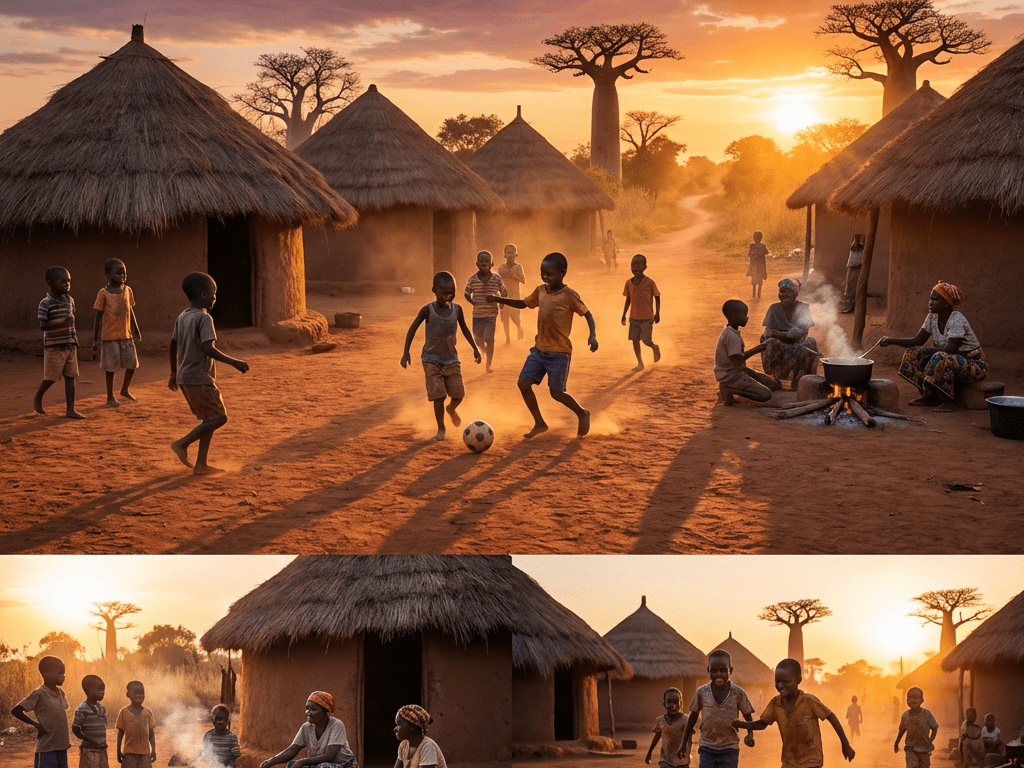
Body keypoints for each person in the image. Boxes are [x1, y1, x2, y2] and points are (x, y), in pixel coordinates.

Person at [487, 252, 597, 439]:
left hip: (559, 352)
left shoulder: (569, 295)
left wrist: (592, 335)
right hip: (539, 350)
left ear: (562, 273)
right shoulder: (540, 291)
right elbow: (523, 304)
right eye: (542, 273)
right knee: (523, 383)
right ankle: (539, 422)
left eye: (549, 274)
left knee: (556, 392)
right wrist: (499, 299)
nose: (545, 277)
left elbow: (587, 313)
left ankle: (582, 413)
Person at [168, 272, 250, 474]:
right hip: (199, 377)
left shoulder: (182, 317)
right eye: (213, 294)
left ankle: (201, 465)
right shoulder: (204, 318)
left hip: (185, 377)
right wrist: (234, 362)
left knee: (209, 419)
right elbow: (208, 348)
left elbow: (172, 344)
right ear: (204, 294)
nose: (215, 298)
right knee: (220, 418)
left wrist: (172, 372)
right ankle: (182, 444)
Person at [879, 281, 986, 412]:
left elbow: (951, 350)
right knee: (912, 353)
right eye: (930, 298)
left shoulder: (957, 319)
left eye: (935, 299)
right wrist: (890, 340)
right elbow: (917, 341)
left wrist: (925, 351)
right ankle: (932, 396)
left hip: (973, 365)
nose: (930, 302)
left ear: (946, 303)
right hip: (950, 359)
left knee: (941, 357)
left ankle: (950, 400)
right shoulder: (932, 317)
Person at [401, 271, 481, 441]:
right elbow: (412, 328)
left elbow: (465, 329)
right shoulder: (427, 310)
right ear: (434, 290)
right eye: (444, 292)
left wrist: (475, 348)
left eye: (452, 291)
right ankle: (441, 428)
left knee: (459, 393)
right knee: (439, 396)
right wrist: (406, 352)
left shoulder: (457, 310)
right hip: (431, 359)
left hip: (451, 359)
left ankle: (451, 409)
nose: (448, 295)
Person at [733, 658, 855, 768]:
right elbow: (763, 723)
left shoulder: (808, 701)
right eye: (777, 681)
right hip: (789, 761)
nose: (780, 685)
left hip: (811, 760)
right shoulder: (775, 704)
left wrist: (845, 744)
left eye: (785, 681)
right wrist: (743, 724)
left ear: (798, 680)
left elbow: (831, 717)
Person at [681, 651, 755, 768]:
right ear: (708, 670)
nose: (718, 674)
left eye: (723, 670)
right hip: (707, 747)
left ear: (730, 670)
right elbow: (693, 717)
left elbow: (748, 716)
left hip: (730, 748)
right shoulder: (702, 692)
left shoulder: (738, 693)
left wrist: (750, 734)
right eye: (714, 670)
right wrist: (683, 743)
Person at [33, 266, 85, 418]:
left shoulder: (70, 301)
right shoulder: (45, 303)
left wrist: (74, 340)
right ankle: (38, 397)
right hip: (54, 348)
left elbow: (71, 323)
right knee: (51, 377)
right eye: (63, 281)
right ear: (50, 282)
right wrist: (62, 323)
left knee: (71, 377)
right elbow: (43, 326)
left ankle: (70, 409)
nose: (67, 284)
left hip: (69, 345)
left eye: (69, 281)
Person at [259, 691, 357, 768]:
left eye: (313, 709)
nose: (308, 712)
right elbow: (292, 750)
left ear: (325, 711)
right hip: (319, 765)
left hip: (344, 766)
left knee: (322, 767)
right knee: (291, 765)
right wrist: (271, 761)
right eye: (307, 708)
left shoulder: (336, 725)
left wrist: (303, 761)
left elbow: (330, 756)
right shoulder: (306, 727)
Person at [92, 258, 141, 406]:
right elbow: (98, 317)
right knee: (111, 368)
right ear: (108, 274)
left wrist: (136, 328)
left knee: (132, 364)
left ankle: (124, 389)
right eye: (118, 273)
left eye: (124, 273)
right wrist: (95, 338)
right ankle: (110, 397)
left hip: (126, 335)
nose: (122, 276)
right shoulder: (103, 293)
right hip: (110, 337)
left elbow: (130, 310)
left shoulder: (128, 290)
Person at [715, 299, 778, 406]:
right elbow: (738, 361)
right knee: (765, 394)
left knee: (774, 384)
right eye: (744, 315)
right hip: (730, 375)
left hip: (735, 371)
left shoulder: (731, 331)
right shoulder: (731, 335)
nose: (747, 318)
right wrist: (758, 349)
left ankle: (731, 387)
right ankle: (728, 389)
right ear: (733, 315)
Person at [10, 655, 70, 768]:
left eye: (64, 673)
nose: (63, 676)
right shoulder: (39, 693)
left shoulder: (60, 693)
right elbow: (16, 711)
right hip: (47, 750)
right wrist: (35, 724)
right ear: (46, 674)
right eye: (60, 673)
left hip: (62, 748)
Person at [760, 278, 819, 389]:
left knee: (810, 343)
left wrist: (796, 334)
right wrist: (786, 335)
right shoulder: (773, 308)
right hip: (779, 343)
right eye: (781, 291)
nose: (783, 294)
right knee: (768, 342)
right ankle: (773, 379)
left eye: (787, 291)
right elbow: (768, 333)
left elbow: (804, 332)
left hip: (797, 343)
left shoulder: (803, 308)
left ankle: (800, 383)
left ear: (795, 293)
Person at [463, 250, 506, 372]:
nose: (484, 263)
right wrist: (472, 301)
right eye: (481, 261)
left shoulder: (497, 278)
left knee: (488, 338)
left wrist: (501, 302)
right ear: (477, 264)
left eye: (486, 261)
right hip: (477, 315)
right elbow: (466, 293)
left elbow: (503, 291)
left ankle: (488, 365)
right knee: (478, 339)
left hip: (491, 315)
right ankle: (484, 350)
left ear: (492, 263)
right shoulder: (472, 279)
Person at [621, 254, 661, 372]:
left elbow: (657, 296)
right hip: (633, 317)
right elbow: (628, 299)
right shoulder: (629, 283)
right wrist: (623, 314)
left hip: (647, 318)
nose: (636, 268)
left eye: (639, 266)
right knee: (635, 340)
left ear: (645, 267)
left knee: (646, 340)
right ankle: (640, 363)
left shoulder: (649, 282)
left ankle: (654, 347)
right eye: (633, 266)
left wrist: (657, 313)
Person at [115, 680, 156, 768]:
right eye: (136, 693)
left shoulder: (147, 712)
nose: (139, 695)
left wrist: (154, 750)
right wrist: (118, 751)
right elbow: (120, 733)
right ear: (128, 694)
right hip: (129, 753)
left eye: (141, 693)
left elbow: (151, 733)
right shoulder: (124, 712)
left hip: (145, 753)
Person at [646, 688, 690, 768]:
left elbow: (689, 738)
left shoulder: (685, 720)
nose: (672, 705)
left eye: (676, 702)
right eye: (669, 702)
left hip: (682, 759)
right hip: (665, 759)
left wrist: (687, 752)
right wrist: (649, 753)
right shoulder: (661, 721)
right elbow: (657, 736)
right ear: (664, 704)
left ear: (681, 704)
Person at [894, 687, 938, 768]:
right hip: (910, 748)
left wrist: (930, 740)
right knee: (912, 765)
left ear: (922, 700)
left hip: (924, 749)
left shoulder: (926, 714)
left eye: (916, 698)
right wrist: (896, 743)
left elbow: (935, 727)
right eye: (909, 698)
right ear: (907, 700)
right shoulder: (905, 716)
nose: (913, 700)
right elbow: (901, 730)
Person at [73, 674, 108, 768]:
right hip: (89, 749)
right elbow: (75, 728)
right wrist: (87, 739)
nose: (102, 692)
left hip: (102, 748)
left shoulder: (102, 709)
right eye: (99, 690)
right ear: (89, 690)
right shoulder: (82, 709)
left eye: (103, 690)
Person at [497, 244, 526, 344]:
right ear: (504, 255)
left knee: (514, 316)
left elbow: (523, 280)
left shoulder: (518, 267)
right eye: (508, 253)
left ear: (515, 255)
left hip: (514, 296)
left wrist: (514, 276)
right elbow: (498, 281)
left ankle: (519, 328)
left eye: (512, 253)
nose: (510, 255)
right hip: (504, 295)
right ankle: (507, 338)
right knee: (505, 318)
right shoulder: (501, 268)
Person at [840, 235, 865, 313]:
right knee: (850, 287)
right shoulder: (855, 244)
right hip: (853, 266)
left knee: (855, 287)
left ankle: (851, 306)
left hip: (858, 266)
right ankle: (849, 306)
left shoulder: (860, 244)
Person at [746, 232, 769, 299]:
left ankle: (754, 294)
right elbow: (766, 252)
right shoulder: (762, 246)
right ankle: (758, 294)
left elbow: (750, 254)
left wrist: (755, 254)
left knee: (755, 279)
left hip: (755, 264)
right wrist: (759, 254)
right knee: (759, 279)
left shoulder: (752, 246)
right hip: (760, 264)